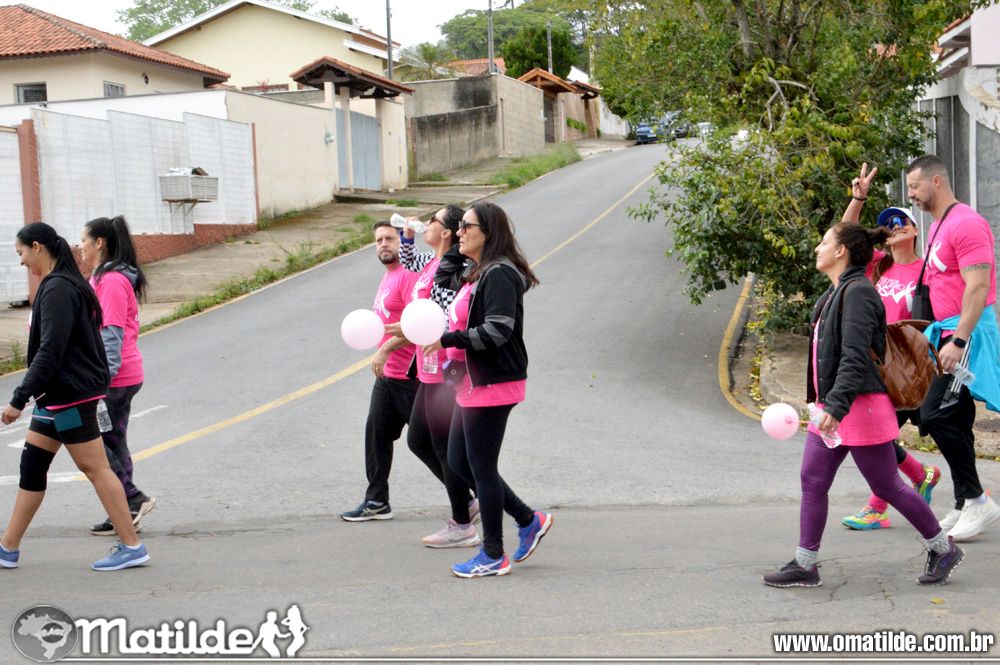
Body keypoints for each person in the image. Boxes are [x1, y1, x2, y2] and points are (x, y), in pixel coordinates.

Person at [763, 221, 963, 588]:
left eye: (824, 242)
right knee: (812, 479)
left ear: (841, 251)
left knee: (886, 485)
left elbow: (855, 356)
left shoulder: (858, 293)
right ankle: (805, 564)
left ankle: (942, 548)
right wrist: (825, 403)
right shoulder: (836, 292)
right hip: (834, 405)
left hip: (859, 406)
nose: (818, 248)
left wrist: (836, 407)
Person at [0, 222, 149, 571]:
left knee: (95, 467)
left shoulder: (58, 289)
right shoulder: (62, 283)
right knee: (32, 468)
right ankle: (8, 548)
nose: (21, 261)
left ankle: (132, 546)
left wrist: (18, 399)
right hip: (55, 399)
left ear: (37, 247)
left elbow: (50, 351)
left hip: (70, 400)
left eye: (21, 253)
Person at [424, 202, 552, 578]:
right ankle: (528, 519)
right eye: (459, 226)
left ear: (489, 233)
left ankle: (493, 553)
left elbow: (498, 330)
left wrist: (448, 339)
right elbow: (442, 280)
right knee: (460, 462)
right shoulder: (477, 271)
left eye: (467, 226)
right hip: (471, 381)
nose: (459, 232)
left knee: (480, 466)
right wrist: (456, 247)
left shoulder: (499, 274)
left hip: (493, 382)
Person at [837, 167, 941, 530]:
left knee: (879, 436)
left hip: (911, 366)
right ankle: (919, 476)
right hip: (878, 363)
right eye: (888, 223)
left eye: (901, 221)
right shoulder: (876, 266)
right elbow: (845, 235)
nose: (894, 227)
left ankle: (883, 504)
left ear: (915, 230)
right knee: (874, 436)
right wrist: (858, 198)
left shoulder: (927, 270)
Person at [905, 155, 1000, 541]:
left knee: (936, 415)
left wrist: (959, 340)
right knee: (956, 417)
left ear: (937, 181)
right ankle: (964, 502)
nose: (911, 195)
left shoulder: (967, 223)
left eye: (915, 186)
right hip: (945, 332)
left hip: (965, 334)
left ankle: (978, 500)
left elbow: (979, 287)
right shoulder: (939, 226)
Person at [393, 206, 480, 548]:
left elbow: (445, 317)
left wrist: (399, 332)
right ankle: (472, 499)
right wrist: (406, 235)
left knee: (444, 447)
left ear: (446, 231)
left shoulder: (454, 269)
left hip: (445, 366)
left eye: (432, 221)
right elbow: (407, 261)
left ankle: (463, 523)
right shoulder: (432, 261)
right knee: (418, 441)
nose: (425, 224)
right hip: (426, 365)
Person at [79, 216, 157, 536]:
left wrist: (102, 380)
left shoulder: (111, 281)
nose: (80, 246)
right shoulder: (103, 277)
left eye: (83, 240)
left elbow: (111, 334)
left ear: (99, 243)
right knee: (113, 442)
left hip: (115, 377)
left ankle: (132, 499)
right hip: (119, 375)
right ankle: (124, 510)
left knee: (96, 446)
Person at [339, 221, 420, 521]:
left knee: (431, 444)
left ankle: (471, 497)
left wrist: (385, 350)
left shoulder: (409, 277)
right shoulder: (388, 277)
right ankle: (376, 501)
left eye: (389, 238)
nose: (383, 244)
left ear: (402, 242)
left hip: (411, 377)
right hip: (388, 377)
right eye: (378, 240)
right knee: (376, 437)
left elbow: (420, 325)